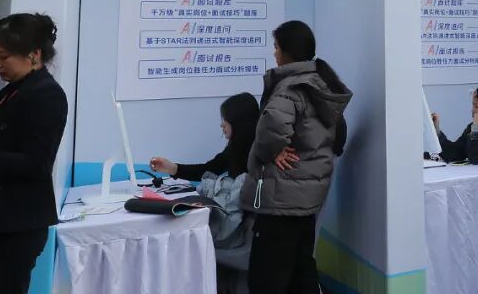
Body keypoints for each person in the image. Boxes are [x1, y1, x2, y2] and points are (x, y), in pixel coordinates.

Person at [241, 21, 352, 294]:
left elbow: (272, 126)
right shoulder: (321, 84)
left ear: (288, 52)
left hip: (281, 198)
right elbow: (339, 133)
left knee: (268, 278)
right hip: (308, 198)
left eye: (276, 47)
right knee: (301, 271)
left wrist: (272, 150)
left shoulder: (290, 87)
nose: (274, 53)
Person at [0, 13, 68, 294]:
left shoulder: (46, 94)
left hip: (14, 226)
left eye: (3, 56)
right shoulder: (13, 91)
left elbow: (36, 164)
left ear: (34, 54)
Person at [151, 92, 262, 287]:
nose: (222, 125)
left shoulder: (258, 155)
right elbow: (209, 168)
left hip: (237, 231)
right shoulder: (235, 148)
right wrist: (173, 168)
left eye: (225, 120)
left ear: (238, 123)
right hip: (229, 223)